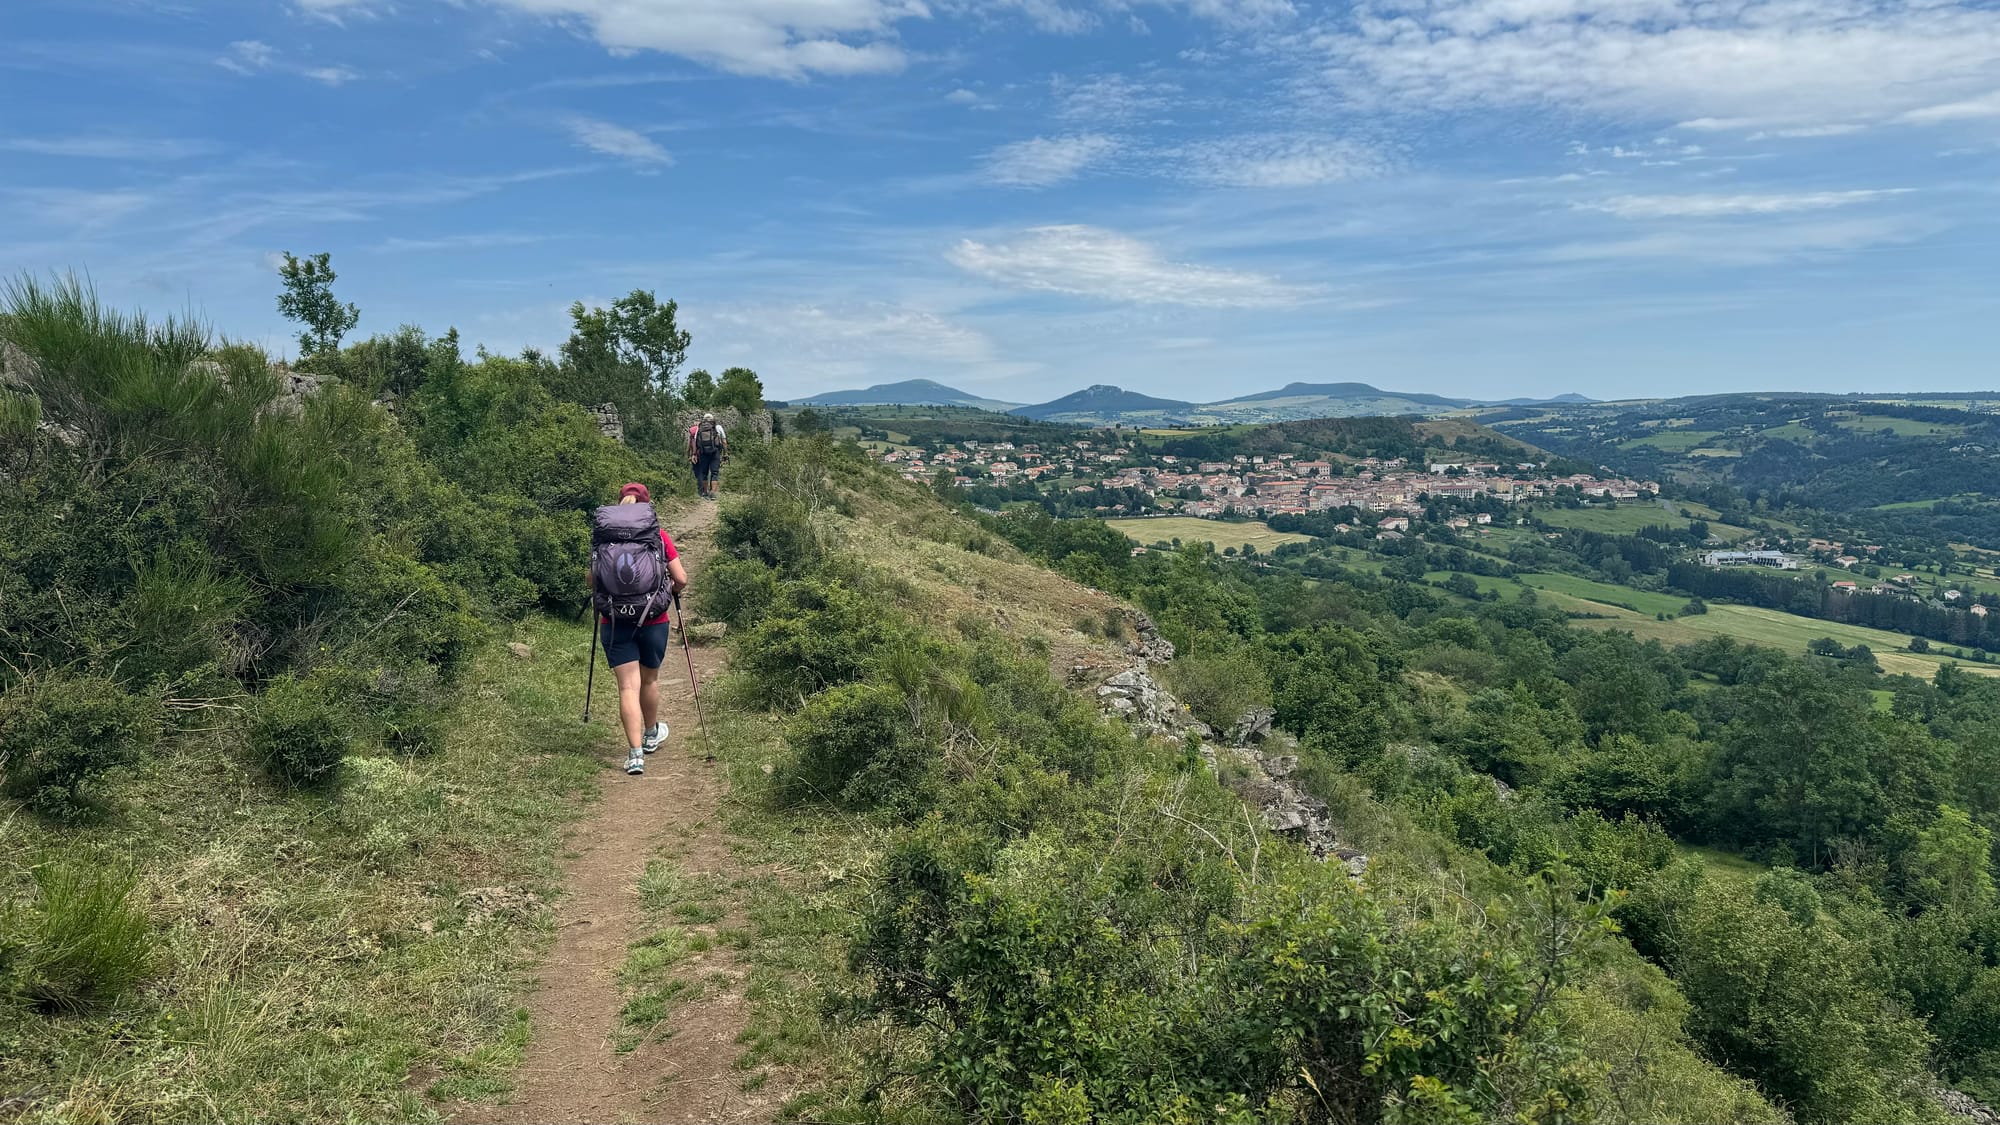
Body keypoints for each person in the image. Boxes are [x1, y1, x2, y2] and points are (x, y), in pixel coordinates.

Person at [591, 482, 689, 776]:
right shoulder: (657, 536)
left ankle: (635, 756)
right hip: (653, 621)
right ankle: (650, 735)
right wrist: (668, 591)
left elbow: (591, 580)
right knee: (649, 682)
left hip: (615, 621)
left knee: (627, 687)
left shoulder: (603, 538)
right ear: (647, 507)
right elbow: (681, 579)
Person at [687, 412, 727, 501]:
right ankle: (713, 493)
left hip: (703, 453)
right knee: (714, 473)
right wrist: (725, 453)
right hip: (715, 453)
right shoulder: (718, 427)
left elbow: (695, 442)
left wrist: (694, 454)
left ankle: (705, 492)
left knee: (704, 473)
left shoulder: (699, 428)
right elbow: (724, 441)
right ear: (712, 419)